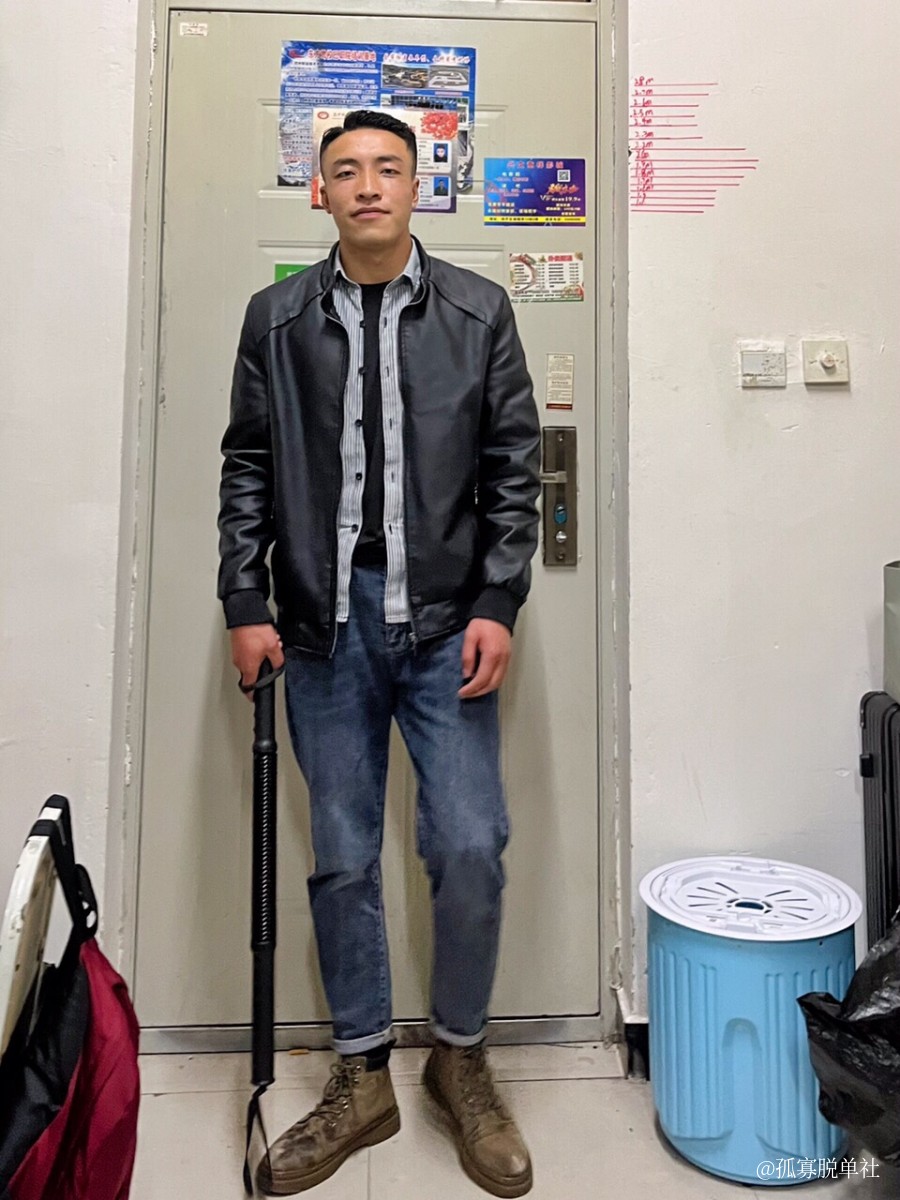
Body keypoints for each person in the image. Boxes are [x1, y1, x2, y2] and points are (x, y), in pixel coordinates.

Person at [218, 109, 540, 1198]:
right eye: (346, 170)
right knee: (344, 855)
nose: (367, 185)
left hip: (446, 622)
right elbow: (248, 464)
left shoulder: (479, 311)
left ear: (418, 188)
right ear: (320, 191)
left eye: (388, 169)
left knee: (470, 843)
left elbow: (512, 465)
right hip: (322, 625)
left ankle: (460, 1058)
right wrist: (245, 596)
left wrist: (498, 597)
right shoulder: (276, 319)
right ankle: (361, 1075)